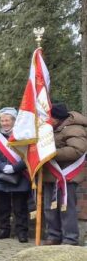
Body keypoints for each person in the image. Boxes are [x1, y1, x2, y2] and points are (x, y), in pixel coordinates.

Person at [0, 107, 30, 243]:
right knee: (3, 207)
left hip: (20, 175)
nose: (4, 123)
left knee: (20, 207)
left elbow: (29, 156)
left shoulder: (24, 136)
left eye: (7, 120)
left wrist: (15, 168)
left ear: (14, 121)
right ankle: (4, 230)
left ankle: (22, 232)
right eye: (2, 120)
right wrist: (3, 167)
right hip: (1, 176)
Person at [42, 103, 87, 246]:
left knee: (66, 208)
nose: (47, 119)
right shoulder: (51, 128)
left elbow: (77, 150)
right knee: (50, 207)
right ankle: (54, 235)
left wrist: (52, 153)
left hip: (67, 174)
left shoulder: (75, 128)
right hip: (51, 174)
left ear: (58, 118)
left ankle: (70, 239)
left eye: (50, 117)